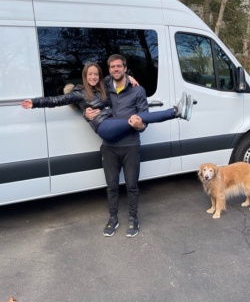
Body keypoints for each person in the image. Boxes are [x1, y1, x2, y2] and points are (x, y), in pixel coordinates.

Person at [84, 55, 193, 238]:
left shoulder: (138, 90)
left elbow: (145, 118)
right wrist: (85, 112)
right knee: (111, 186)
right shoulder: (104, 88)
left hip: (130, 145)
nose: (116, 69)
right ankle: (113, 218)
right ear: (109, 70)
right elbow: (83, 92)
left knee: (132, 186)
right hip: (109, 147)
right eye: (112, 67)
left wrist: (140, 126)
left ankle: (133, 218)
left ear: (125, 68)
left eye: (119, 66)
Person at [21, 62, 193, 143]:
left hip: (112, 122)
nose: (93, 77)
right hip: (104, 127)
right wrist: (35, 102)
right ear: (85, 76)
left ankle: (178, 112)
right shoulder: (79, 92)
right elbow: (56, 100)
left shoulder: (104, 87)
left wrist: (130, 76)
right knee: (136, 118)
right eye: (90, 74)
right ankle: (176, 112)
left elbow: (119, 74)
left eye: (96, 74)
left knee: (139, 117)